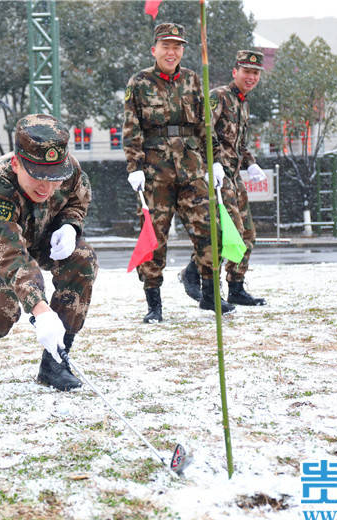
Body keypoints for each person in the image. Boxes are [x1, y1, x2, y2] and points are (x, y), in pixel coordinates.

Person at [0, 114, 98, 392]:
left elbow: (77, 198)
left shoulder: (69, 168)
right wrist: (41, 309)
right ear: (16, 163)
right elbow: (10, 254)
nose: (46, 187)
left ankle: (55, 363)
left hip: (40, 236)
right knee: (3, 306)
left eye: (54, 178)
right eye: (37, 176)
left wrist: (70, 225)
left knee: (83, 260)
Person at [123, 22, 233, 323]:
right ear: (154, 49)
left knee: (211, 231)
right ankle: (154, 304)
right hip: (155, 170)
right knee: (153, 239)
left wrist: (214, 160)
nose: (172, 52)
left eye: (177, 46)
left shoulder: (193, 80)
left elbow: (205, 124)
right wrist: (134, 167)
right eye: (166, 46)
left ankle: (210, 296)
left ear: (182, 50)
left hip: (192, 167)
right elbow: (131, 128)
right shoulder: (139, 82)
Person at [179, 50, 267, 306]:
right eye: (246, 71)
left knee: (248, 234)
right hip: (215, 175)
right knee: (230, 231)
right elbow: (200, 130)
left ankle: (236, 287)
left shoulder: (243, 103)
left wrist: (251, 164)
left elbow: (239, 144)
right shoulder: (219, 97)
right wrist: (211, 164)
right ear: (235, 72)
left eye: (255, 73)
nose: (251, 77)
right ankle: (194, 273)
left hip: (233, 174)